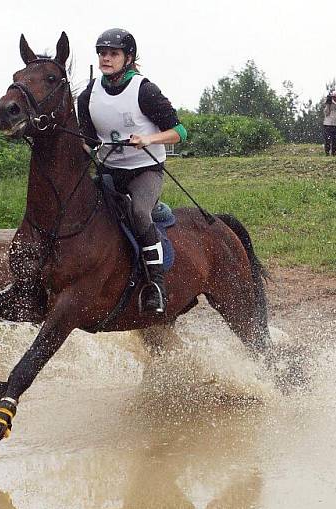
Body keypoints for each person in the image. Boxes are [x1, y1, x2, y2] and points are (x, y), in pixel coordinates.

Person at [77, 28, 187, 314]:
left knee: (139, 213)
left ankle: (156, 285)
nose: (106, 58)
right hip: (110, 171)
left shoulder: (144, 90)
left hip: (144, 170)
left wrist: (148, 139)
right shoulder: (88, 95)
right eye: (102, 53)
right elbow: (88, 141)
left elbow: (180, 132)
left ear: (128, 57)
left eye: (113, 53)